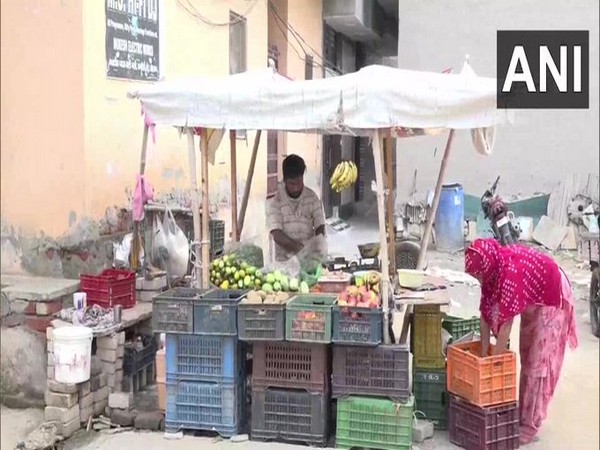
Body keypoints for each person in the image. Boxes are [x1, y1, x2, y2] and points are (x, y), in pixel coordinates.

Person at [465, 238, 578, 445]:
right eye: (475, 276)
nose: (478, 280)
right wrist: (483, 355)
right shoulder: (491, 271)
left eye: (478, 275)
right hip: (531, 297)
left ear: (486, 267)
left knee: (537, 365)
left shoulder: (509, 273)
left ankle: (530, 424)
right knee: (526, 357)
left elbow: (505, 326)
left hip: (551, 296)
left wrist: (493, 365)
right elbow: (484, 313)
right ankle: (523, 414)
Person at [267, 154, 326, 262]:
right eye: (292, 184)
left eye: (299, 182)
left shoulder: (312, 198)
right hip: (284, 263)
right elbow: (277, 235)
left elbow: (320, 226)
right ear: (284, 180)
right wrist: (302, 250)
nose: (296, 188)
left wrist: (318, 245)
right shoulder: (276, 202)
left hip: (308, 261)